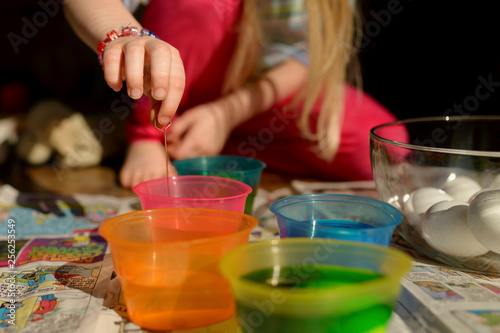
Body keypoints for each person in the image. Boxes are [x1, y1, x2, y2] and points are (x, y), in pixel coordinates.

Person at [63, 0, 398, 188]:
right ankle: (149, 135)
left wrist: (226, 114)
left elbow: (306, 55)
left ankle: (196, 141)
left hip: (259, 99)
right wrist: (125, 36)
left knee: (383, 148)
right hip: (184, 83)